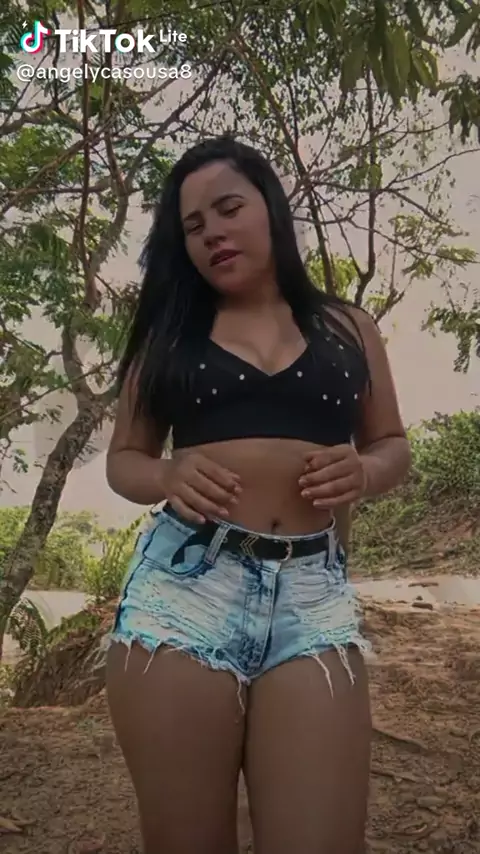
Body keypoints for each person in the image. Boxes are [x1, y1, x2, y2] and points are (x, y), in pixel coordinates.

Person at [105, 135, 411, 854]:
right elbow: (124, 461)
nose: (211, 232)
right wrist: (167, 475)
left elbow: (392, 445)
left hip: (311, 596)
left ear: (270, 207)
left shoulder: (347, 328)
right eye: (193, 226)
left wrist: (366, 472)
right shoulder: (170, 336)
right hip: (186, 594)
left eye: (228, 208)